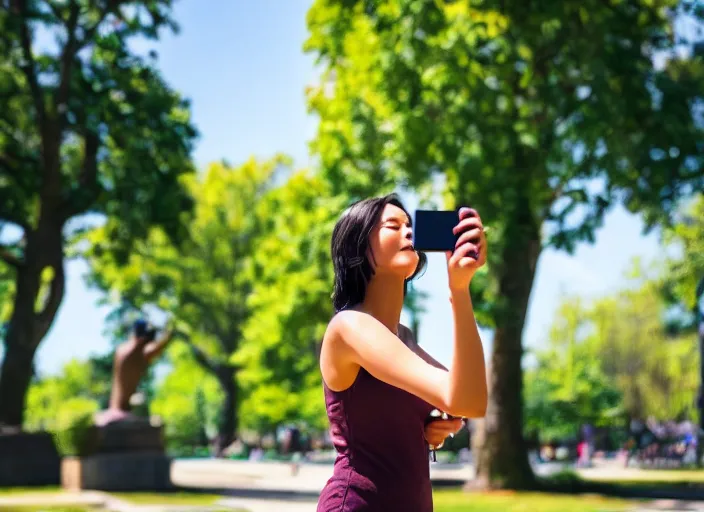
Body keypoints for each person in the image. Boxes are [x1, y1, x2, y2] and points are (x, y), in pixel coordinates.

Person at [317, 194, 488, 511]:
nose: (408, 232)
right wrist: (458, 290)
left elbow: (471, 400)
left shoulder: (403, 338)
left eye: (410, 225)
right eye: (393, 226)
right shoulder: (349, 327)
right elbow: (460, 397)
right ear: (358, 246)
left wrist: (439, 422)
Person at [94, 319, 174, 426]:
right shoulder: (137, 353)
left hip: (114, 412)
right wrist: (170, 331)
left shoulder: (121, 350)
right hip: (121, 415)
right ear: (143, 339)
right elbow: (156, 347)